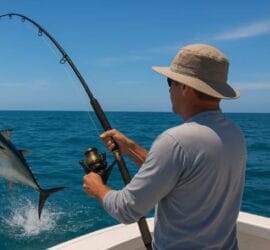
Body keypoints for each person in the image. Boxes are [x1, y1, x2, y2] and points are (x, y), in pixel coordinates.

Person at [83, 44, 247, 249]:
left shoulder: (175, 141)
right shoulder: (234, 133)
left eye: (171, 82)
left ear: (185, 87)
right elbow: (181, 176)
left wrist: (97, 187)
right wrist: (130, 147)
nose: (169, 89)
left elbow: (126, 209)